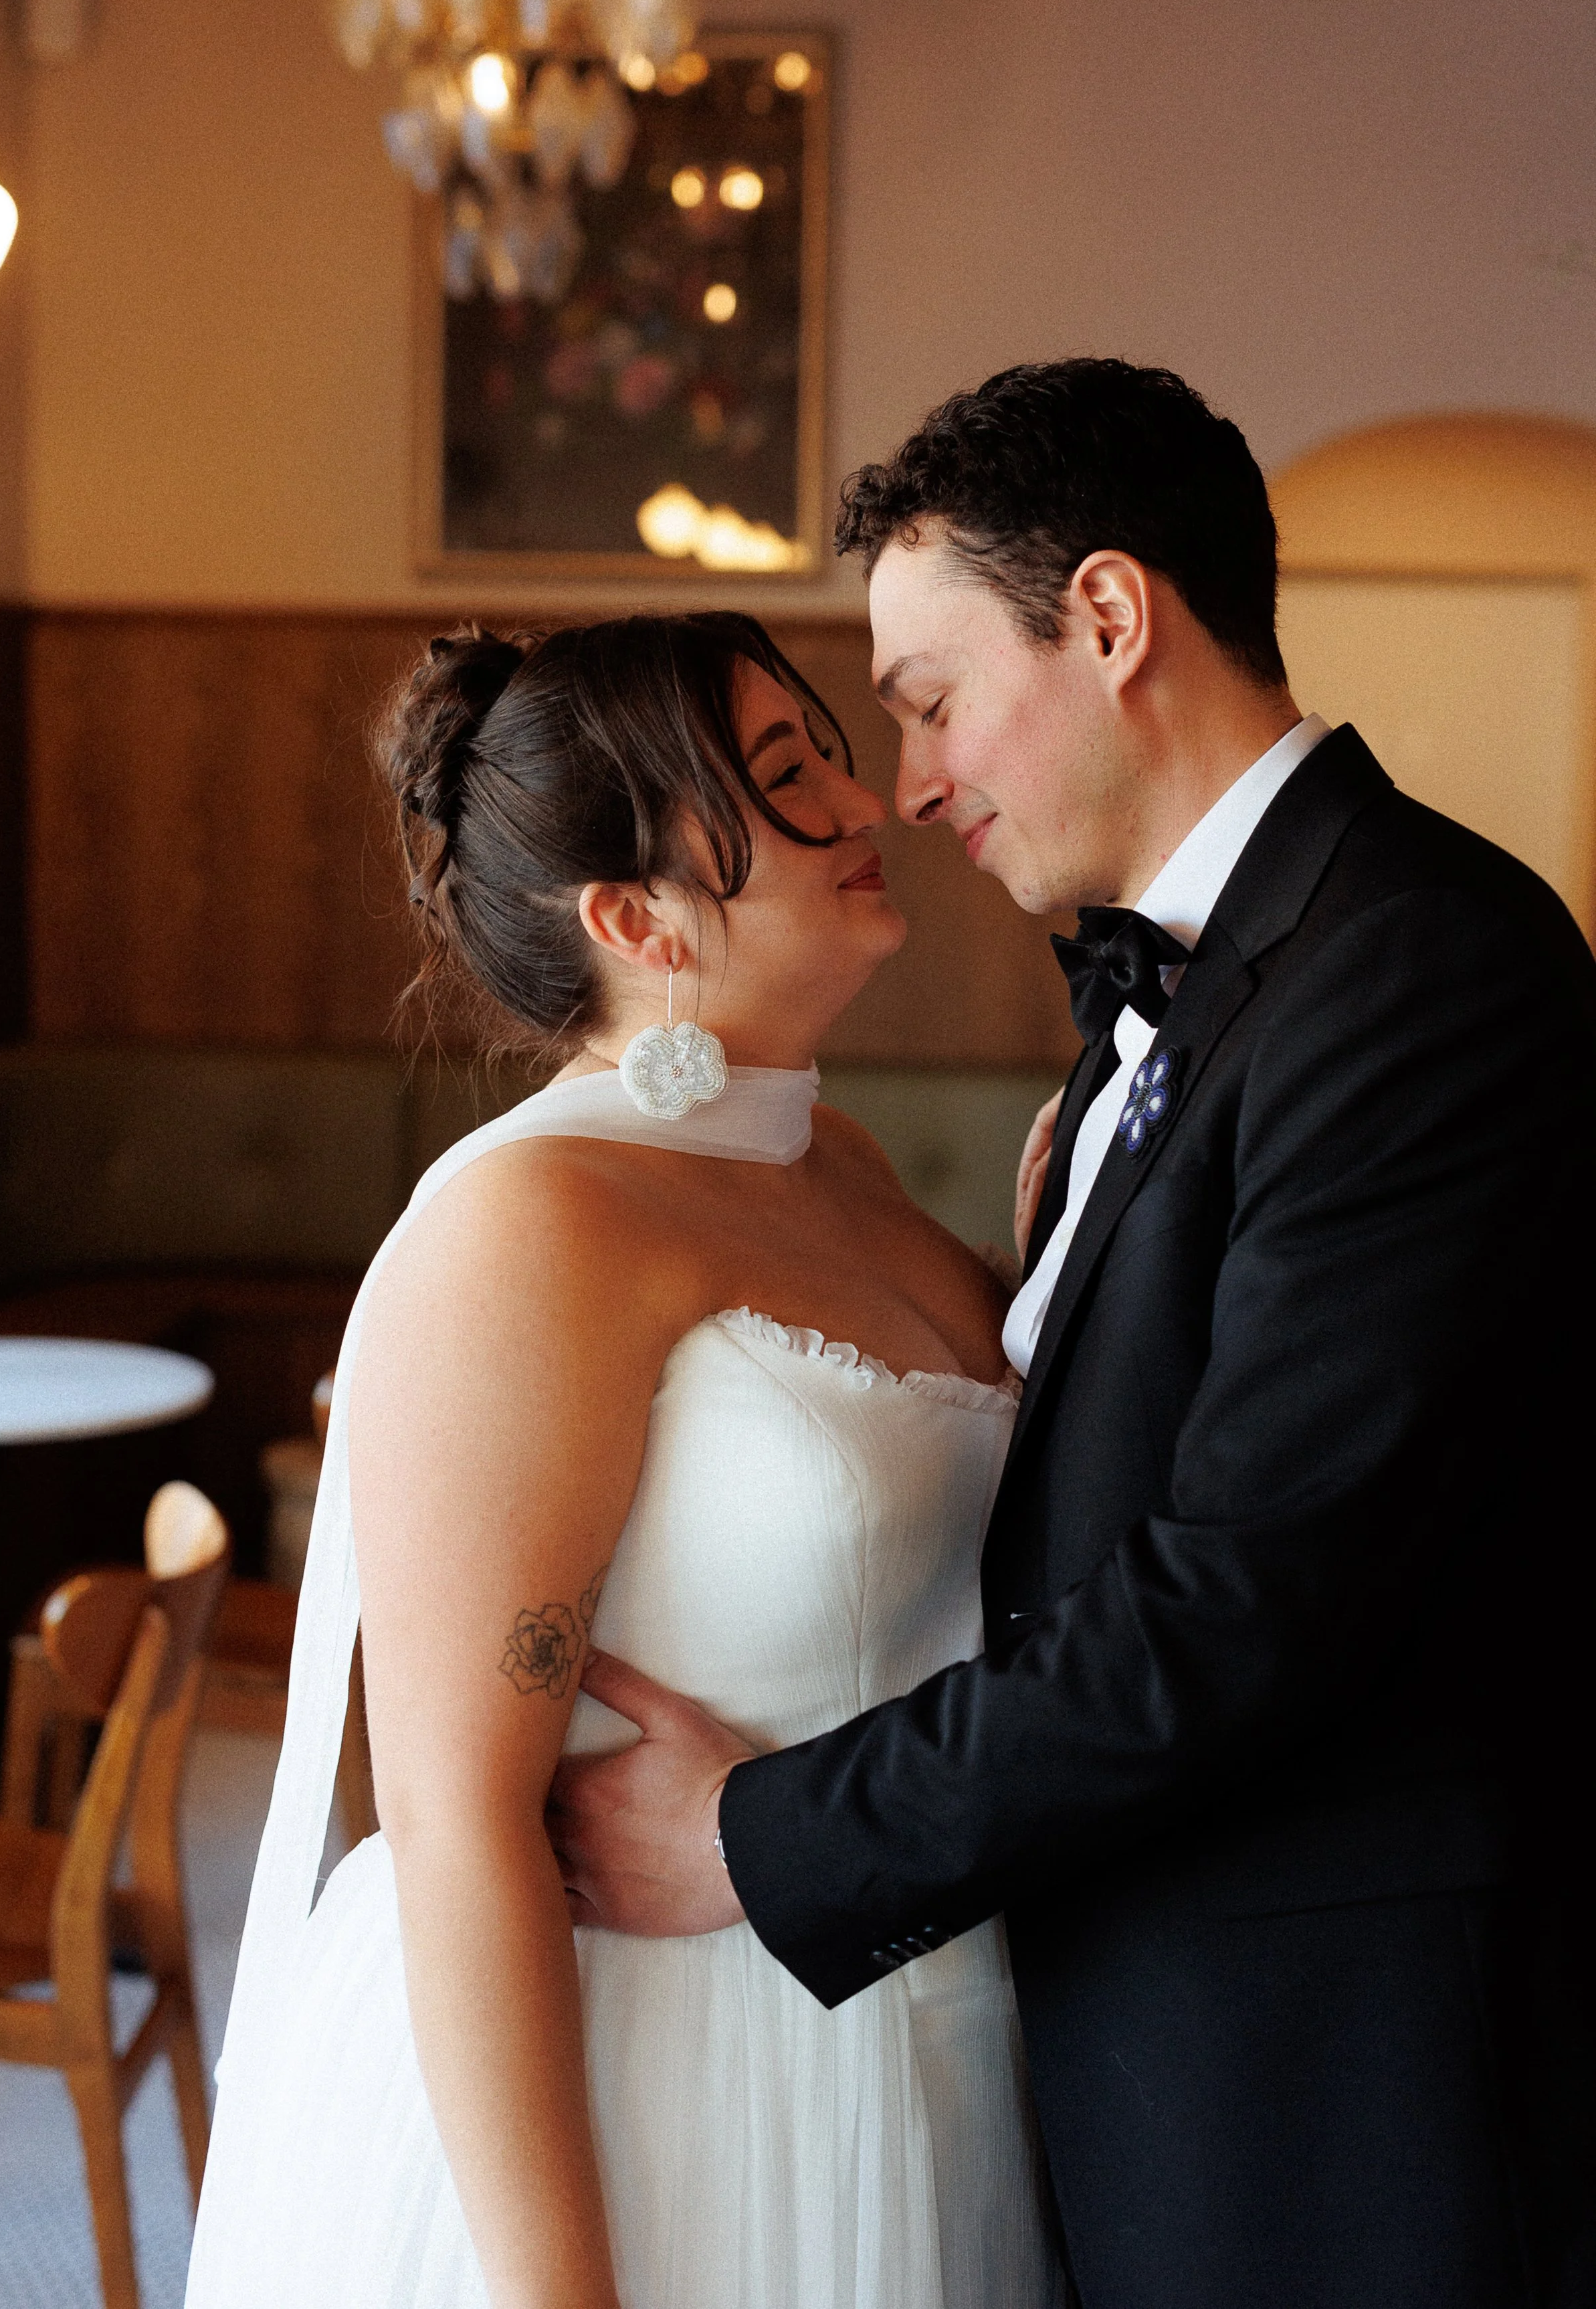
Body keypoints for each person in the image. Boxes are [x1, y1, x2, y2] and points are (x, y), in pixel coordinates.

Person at [548, 361, 1596, 2309]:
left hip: (1341, 2083)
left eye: (931, 700)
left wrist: (763, 1837)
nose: (916, 781)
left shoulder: (1422, 965)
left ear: (1110, 617)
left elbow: (1241, 1597)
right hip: (1143, 2017)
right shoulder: (1177, 990)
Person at [184, 610, 1066, 2309]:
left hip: (902, 1996)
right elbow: (452, 1818)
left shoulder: (846, 1163)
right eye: (788, 776)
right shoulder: (533, 1221)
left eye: (827, 754)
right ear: (629, 915)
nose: (868, 802)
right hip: (658, 2076)